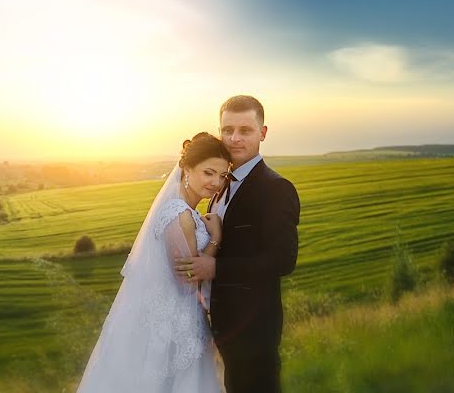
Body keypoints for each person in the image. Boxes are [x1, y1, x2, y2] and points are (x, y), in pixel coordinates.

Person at [77, 132, 230, 392]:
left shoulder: (183, 208)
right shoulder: (179, 214)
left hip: (176, 318)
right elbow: (188, 277)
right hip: (173, 326)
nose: (217, 182)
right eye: (209, 173)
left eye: (223, 175)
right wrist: (215, 237)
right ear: (187, 169)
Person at [176, 95, 300, 393]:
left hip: (254, 332)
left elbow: (283, 259)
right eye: (227, 130)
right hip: (222, 328)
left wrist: (217, 267)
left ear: (263, 133)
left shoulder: (275, 188)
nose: (234, 138)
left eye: (245, 130)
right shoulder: (220, 186)